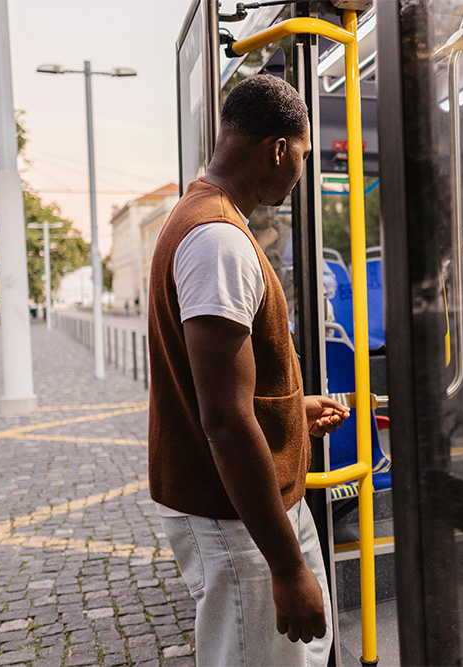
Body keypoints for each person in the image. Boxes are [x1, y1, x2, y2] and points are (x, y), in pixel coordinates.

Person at [147, 74, 349, 666]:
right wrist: (285, 568)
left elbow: (224, 386)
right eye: (304, 157)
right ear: (279, 149)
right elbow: (226, 422)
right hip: (236, 524)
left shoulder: (204, 218)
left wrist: (291, 408)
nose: (300, 172)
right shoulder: (218, 240)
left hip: (247, 514)